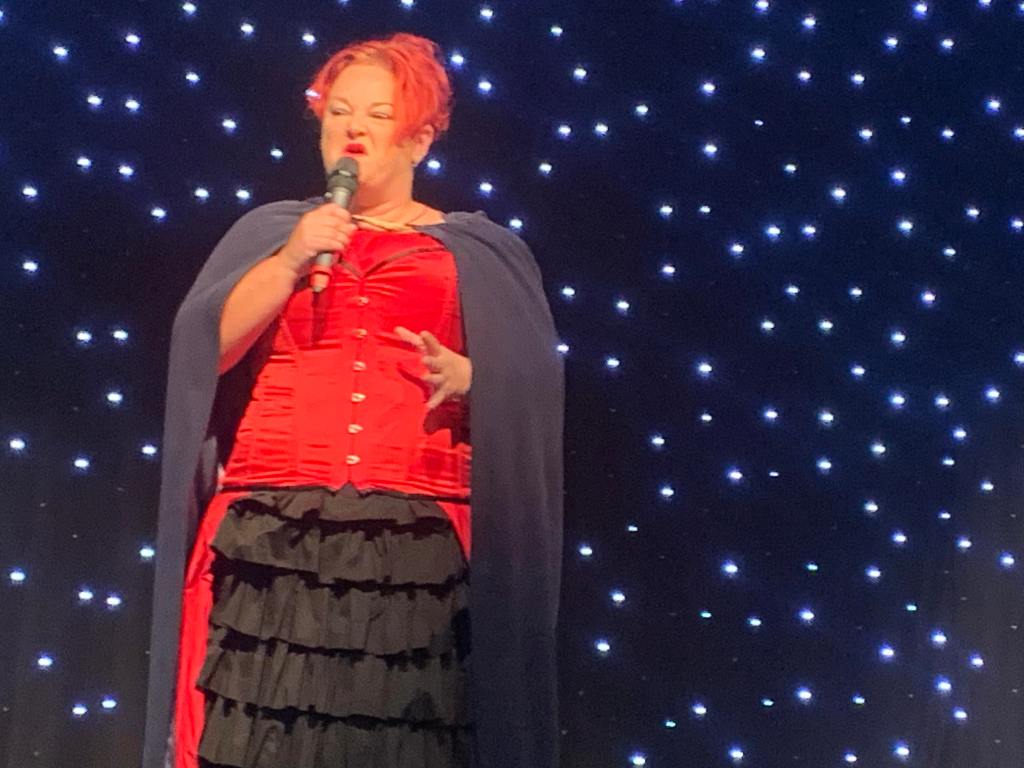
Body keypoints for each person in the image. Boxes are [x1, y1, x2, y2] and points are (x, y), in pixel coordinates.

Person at [140, 32, 565, 768]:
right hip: (274, 530)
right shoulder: (274, 232)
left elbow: (535, 386)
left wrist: (477, 378)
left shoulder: (479, 249)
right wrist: (293, 257)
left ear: (422, 137)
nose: (353, 128)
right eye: (337, 112)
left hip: (416, 542)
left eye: (377, 113)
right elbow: (201, 352)